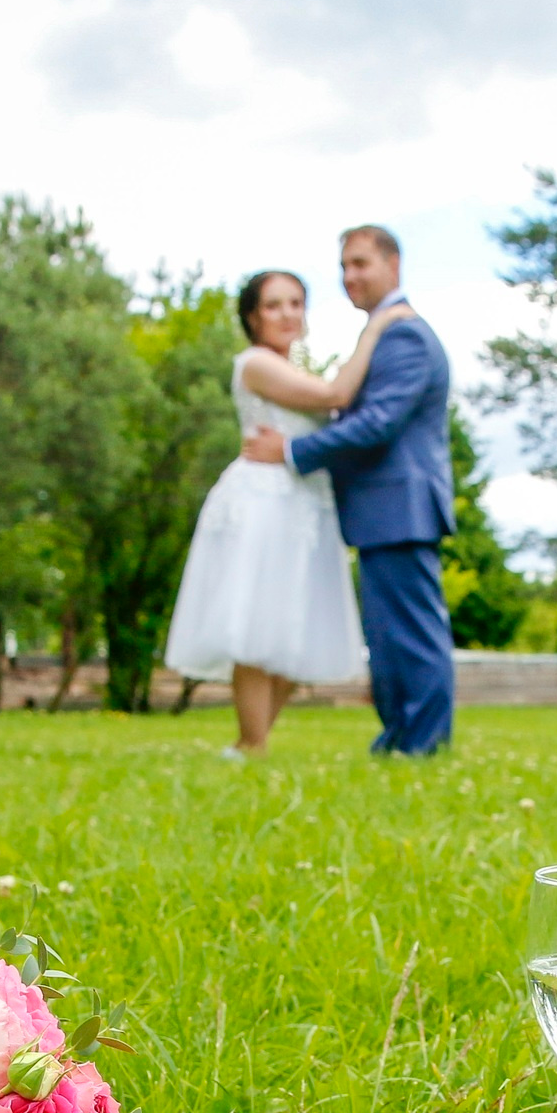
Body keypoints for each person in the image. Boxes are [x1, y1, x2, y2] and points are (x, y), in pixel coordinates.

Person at [164, 269, 413, 757]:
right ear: (253, 316)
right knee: (256, 624)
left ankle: (250, 744)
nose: (287, 314)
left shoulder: (295, 368)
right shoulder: (255, 364)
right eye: (274, 305)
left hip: (304, 503)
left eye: (296, 303)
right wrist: (374, 330)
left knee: (291, 630)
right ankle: (250, 743)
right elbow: (334, 398)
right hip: (262, 503)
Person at [241, 225, 455, 757]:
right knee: (388, 639)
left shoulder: (403, 334)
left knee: (411, 635)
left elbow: (377, 422)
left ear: (394, 265)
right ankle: (400, 739)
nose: (350, 276)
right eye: (344, 267)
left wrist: (291, 453)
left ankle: (423, 744)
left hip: (402, 504)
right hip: (382, 509)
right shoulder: (383, 333)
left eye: (361, 264)